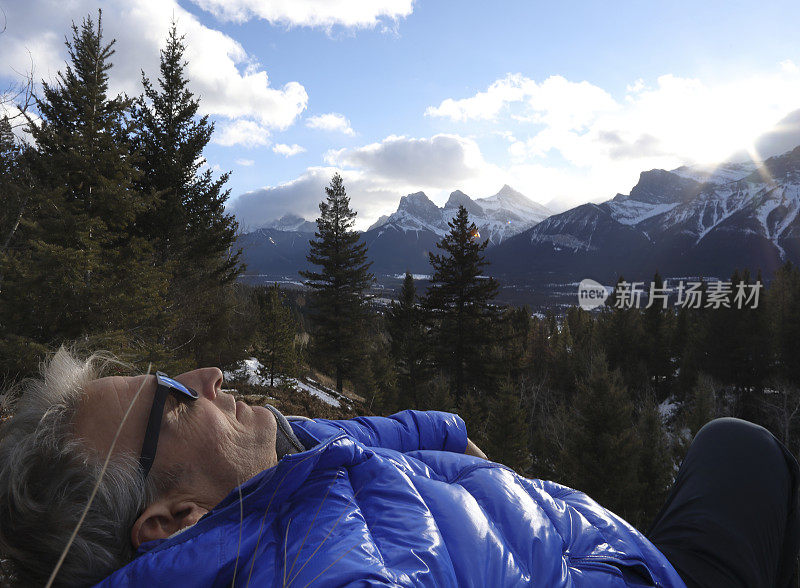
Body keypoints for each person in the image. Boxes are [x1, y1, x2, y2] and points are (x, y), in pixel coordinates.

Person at [0, 347, 796, 587]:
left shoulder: (273, 460)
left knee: (732, 439)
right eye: (176, 400)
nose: (207, 377)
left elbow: (404, 429)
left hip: (589, 538)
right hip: (638, 574)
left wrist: (460, 449)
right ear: (174, 519)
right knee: (748, 449)